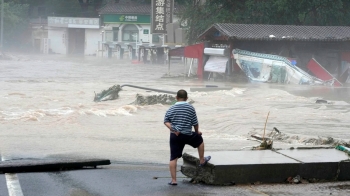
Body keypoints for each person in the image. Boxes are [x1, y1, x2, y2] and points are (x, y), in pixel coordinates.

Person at [164, 89, 211, 185]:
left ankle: (174, 180)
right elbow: (195, 122)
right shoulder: (190, 108)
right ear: (186, 98)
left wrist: (173, 129)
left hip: (175, 136)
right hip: (187, 135)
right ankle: (202, 160)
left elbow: (166, 121)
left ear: (176, 98)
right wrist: (197, 131)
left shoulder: (171, 108)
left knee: (173, 158)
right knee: (200, 141)